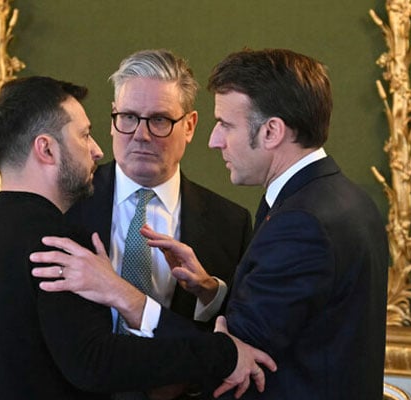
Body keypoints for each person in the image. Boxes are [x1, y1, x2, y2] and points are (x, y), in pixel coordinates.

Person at [31, 48, 389, 400]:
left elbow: (236, 357)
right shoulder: (345, 200)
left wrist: (125, 296)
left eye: (159, 120)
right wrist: (212, 294)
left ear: (271, 132)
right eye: (127, 117)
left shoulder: (272, 221)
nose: (215, 141)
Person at [0, 76, 275, 400]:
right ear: (46, 149)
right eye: (84, 135)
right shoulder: (58, 244)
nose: (98, 150)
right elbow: (95, 361)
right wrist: (223, 354)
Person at [66, 49, 251, 329]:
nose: (141, 135)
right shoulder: (66, 204)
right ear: (113, 118)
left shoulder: (230, 224)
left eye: (159, 120)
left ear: (189, 126)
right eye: (128, 117)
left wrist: (209, 292)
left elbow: (241, 325)